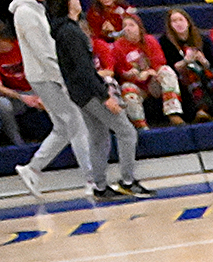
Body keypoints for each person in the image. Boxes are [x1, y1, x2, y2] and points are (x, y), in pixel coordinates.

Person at [52, 0, 147, 202]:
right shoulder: (70, 32)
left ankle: (100, 186)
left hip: (79, 92)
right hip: (89, 92)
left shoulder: (65, 29)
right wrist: (105, 96)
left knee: (99, 137)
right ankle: (128, 182)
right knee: (127, 132)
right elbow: (84, 70)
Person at [9, 0, 88, 197]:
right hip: (46, 77)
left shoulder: (35, 9)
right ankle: (92, 179)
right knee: (76, 123)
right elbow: (43, 53)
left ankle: (33, 168)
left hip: (45, 76)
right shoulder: (26, 12)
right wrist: (63, 79)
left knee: (63, 128)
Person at [101, 11, 181, 128]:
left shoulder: (150, 40)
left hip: (153, 82)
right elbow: (120, 72)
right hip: (136, 85)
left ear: (139, 28)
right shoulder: (118, 46)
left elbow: (159, 64)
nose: (127, 29)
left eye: (131, 25)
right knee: (127, 90)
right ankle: (141, 125)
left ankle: (173, 111)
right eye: (125, 26)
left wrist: (148, 72)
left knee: (166, 71)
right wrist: (130, 74)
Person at [158, 6, 213, 120]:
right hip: (182, 74)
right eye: (174, 21)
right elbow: (171, 67)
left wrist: (202, 60)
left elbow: (212, 64)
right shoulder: (165, 41)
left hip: (203, 69)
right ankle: (201, 108)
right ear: (170, 25)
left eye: (181, 20)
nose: (178, 24)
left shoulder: (201, 39)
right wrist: (186, 60)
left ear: (188, 22)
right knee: (191, 72)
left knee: (208, 73)